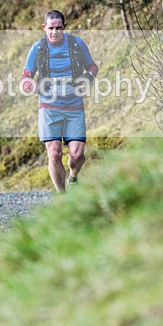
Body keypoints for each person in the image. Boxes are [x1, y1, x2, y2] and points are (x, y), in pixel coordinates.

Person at [21, 10, 98, 193]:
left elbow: (92, 67)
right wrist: (34, 87)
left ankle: (73, 177)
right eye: (50, 28)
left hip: (74, 107)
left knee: (77, 155)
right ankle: (62, 196)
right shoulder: (38, 48)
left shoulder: (76, 44)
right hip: (49, 108)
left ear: (64, 27)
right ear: (44, 28)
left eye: (58, 28)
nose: (54, 32)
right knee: (54, 153)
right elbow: (25, 78)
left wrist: (88, 79)